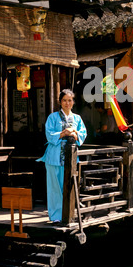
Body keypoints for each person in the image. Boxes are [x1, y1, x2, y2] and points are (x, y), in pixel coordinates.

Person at [37, 89, 87, 223]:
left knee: (69, 185)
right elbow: (49, 134)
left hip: (70, 156)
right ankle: (56, 216)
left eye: (69, 100)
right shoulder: (52, 117)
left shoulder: (77, 118)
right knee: (54, 187)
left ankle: (69, 214)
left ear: (73, 102)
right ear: (60, 102)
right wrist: (64, 133)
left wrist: (74, 133)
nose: (67, 103)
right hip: (54, 156)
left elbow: (82, 134)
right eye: (64, 100)